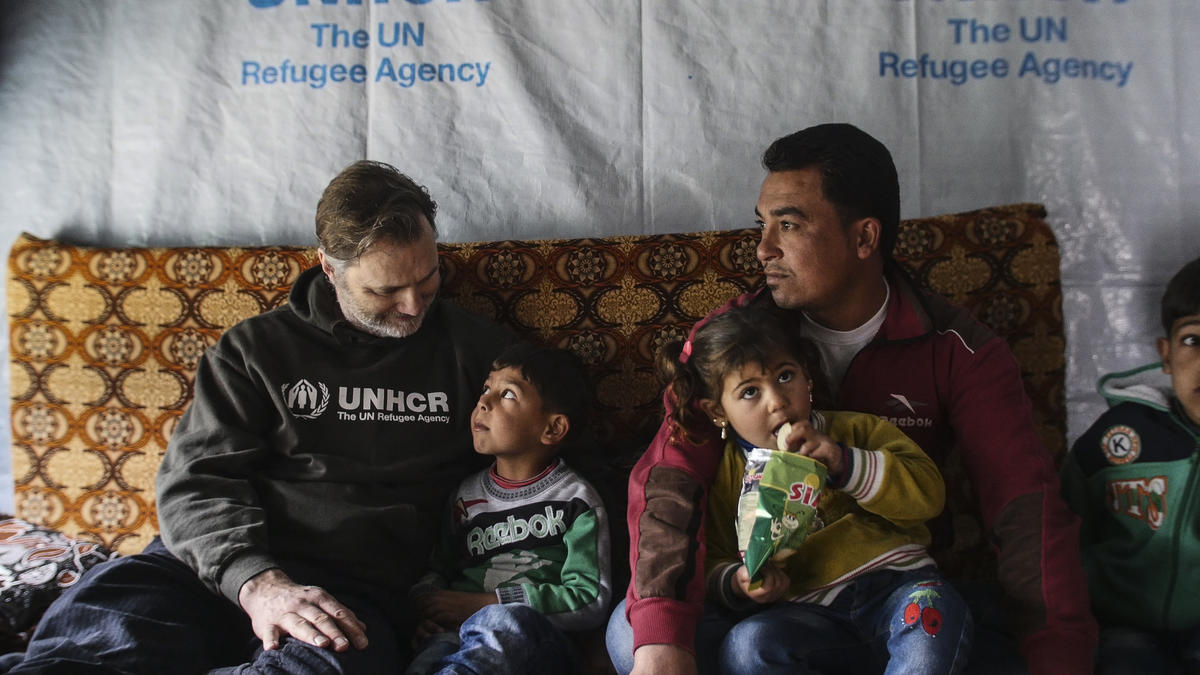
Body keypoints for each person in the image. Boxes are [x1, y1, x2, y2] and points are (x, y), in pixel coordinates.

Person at [608, 123, 1097, 675]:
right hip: (781, 609)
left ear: (864, 238)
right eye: (762, 224)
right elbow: (670, 482)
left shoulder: (959, 350)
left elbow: (1025, 509)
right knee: (634, 634)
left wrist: (1060, 657)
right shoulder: (736, 339)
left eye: (788, 224)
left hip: (890, 592)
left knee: (950, 625)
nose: (763, 248)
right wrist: (669, 638)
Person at [0, 160, 517, 673]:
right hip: (216, 572)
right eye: (384, 292)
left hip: (356, 593)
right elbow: (196, 482)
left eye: (427, 279)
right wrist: (258, 582)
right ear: (329, 268)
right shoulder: (254, 351)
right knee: (99, 625)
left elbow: (551, 467)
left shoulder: (478, 354)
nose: (412, 306)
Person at [664, 302, 972, 673]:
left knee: (931, 616)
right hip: (808, 618)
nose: (777, 401)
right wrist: (739, 582)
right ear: (717, 412)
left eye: (784, 376)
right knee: (746, 646)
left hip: (899, 589)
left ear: (807, 378)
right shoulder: (727, 476)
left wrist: (846, 463)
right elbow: (713, 556)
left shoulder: (855, 431)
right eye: (749, 392)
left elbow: (929, 494)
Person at [404, 342, 612, 674]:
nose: (483, 401)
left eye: (508, 395)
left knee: (501, 622)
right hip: (454, 634)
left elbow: (589, 598)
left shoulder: (576, 499)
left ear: (552, 428)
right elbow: (439, 569)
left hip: (534, 641)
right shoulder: (465, 496)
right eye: (487, 389)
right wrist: (427, 608)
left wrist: (489, 604)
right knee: (428, 660)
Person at [1060, 255, 1200, 674]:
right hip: (1118, 623)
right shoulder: (1121, 437)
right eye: (1193, 340)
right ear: (1166, 354)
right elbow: (1058, 522)